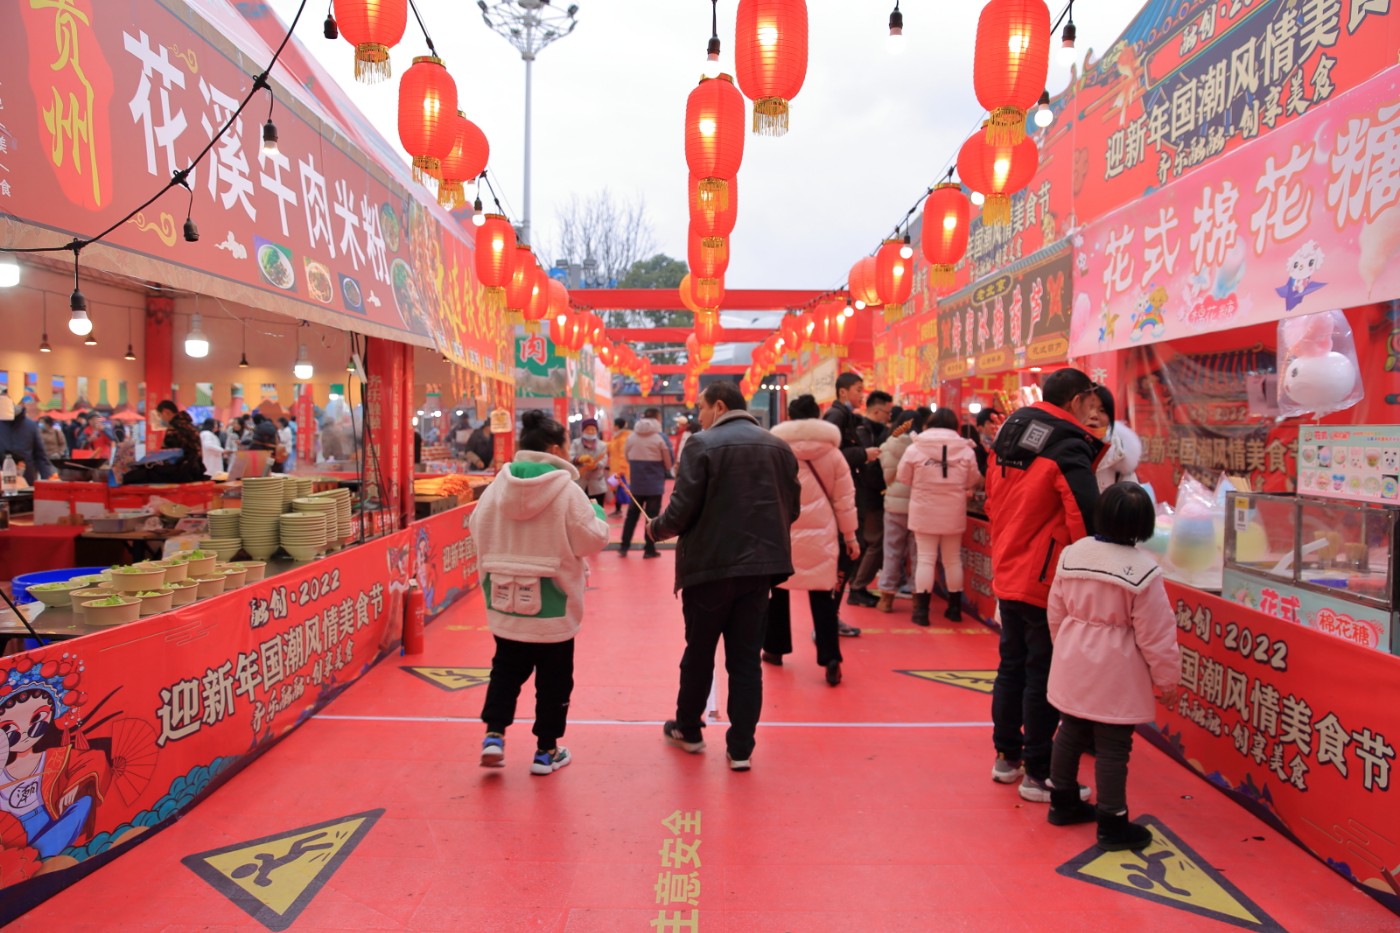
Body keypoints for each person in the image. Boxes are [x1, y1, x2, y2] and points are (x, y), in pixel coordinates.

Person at [649, 382, 801, 771]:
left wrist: (654, 530)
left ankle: (688, 729)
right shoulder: (779, 447)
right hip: (760, 569)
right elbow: (792, 508)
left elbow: (680, 512)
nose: (697, 417)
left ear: (718, 406)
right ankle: (741, 748)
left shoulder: (701, 445)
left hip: (709, 567)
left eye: (700, 408)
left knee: (699, 653)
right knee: (746, 659)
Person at [985, 367, 1105, 802]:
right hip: (1043, 577)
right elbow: (1086, 517)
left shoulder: (1011, 430)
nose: (1096, 410)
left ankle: (1007, 758)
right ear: (1077, 401)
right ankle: (1038, 772)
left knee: (1011, 667)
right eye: (1093, 400)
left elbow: (995, 498)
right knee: (1042, 674)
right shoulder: (1067, 443)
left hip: (1009, 565)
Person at [469, 410, 610, 776]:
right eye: (565, 445)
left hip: (505, 600)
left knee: (504, 671)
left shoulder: (498, 485)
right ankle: (546, 751)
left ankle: (494, 736)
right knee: (554, 680)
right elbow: (591, 538)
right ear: (553, 448)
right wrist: (597, 513)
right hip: (553, 605)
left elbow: (476, 527)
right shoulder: (566, 490)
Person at [1045, 482, 1180, 850]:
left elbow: (1055, 611)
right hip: (1116, 670)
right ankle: (1112, 821)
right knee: (1113, 746)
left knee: (1070, 731)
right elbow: (1157, 634)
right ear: (1145, 523)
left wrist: (1066, 648)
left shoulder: (1073, 554)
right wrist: (1167, 680)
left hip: (1073, 657)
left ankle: (1062, 802)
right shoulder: (1144, 571)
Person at [765, 395, 859, 685]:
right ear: (817, 415)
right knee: (822, 595)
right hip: (822, 534)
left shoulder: (775, 451)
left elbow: (765, 495)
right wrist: (850, 536)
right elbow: (844, 499)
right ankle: (830, 658)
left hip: (783, 531)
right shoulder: (833, 454)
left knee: (778, 592)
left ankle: (774, 649)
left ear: (790, 417)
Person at [898, 408, 980, 626]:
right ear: (955, 426)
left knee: (925, 559)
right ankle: (954, 610)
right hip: (953, 511)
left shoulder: (916, 448)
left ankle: (921, 613)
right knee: (952, 559)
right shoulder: (965, 449)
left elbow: (903, 477)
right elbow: (973, 479)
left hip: (924, 512)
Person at [821, 374, 882, 635]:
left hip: (842, 498)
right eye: (858, 390)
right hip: (839, 501)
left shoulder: (843, 417)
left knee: (841, 564)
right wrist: (863, 454)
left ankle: (829, 620)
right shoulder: (837, 417)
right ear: (843, 393)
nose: (862, 394)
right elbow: (831, 456)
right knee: (841, 562)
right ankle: (827, 623)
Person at [876, 407, 931, 612]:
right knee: (918, 555)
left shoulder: (889, 445)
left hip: (893, 506)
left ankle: (886, 599)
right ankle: (918, 599)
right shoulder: (924, 447)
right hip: (918, 506)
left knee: (891, 552)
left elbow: (886, 475)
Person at [621, 407, 673, 558]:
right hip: (654, 485)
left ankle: (624, 547)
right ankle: (649, 550)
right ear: (657, 418)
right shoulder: (660, 438)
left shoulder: (632, 437)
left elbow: (626, 456)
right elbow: (668, 463)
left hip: (636, 483)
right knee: (651, 518)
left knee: (631, 515)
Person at [1090, 386, 1143, 492]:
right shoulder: (1064, 450)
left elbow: (1130, 502)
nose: (1094, 415)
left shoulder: (1120, 454)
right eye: (1089, 408)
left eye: (1102, 410)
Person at [0, 396, 56, 484]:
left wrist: (50, 477)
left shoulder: (31, 426)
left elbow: (40, 456)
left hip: (26, 482)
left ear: (22, 404)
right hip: (2, 483)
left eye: (16, 402)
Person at [155, 400, 208, 482]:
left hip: (181, 472)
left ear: (166, 412)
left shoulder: (175, 428)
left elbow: (168, 453)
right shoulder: (189, 425)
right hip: (196, 470)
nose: (161, 419)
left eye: (160, 415)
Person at [569, 418, 609, 509]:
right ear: (583, 430)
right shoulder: (575, 443)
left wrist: (595, 466)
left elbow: (603, 461)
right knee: (580, 510)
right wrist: (579, 459)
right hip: (580, 484)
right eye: (588, 429)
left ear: (597, 431)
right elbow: (570, 457)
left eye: (593, 429)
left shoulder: (602, 445)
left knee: (597, 510)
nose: (590, 431)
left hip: (597, 484)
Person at [606, 417, 632, 515]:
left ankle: (618, 509)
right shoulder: (617, 437)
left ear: (616, 426)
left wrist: (621, 470)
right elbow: (611, 446)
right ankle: (618, 509)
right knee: (615, 488)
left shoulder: (623, 438)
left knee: (620, 489)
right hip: (615, 468)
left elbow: (623, 455)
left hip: (620, 470)